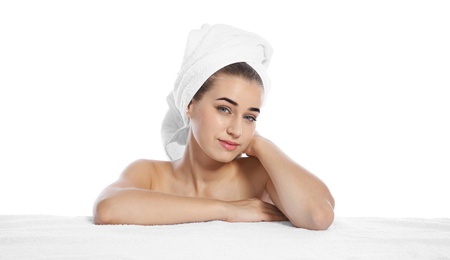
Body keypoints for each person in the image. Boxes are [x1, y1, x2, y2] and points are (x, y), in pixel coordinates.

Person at [93, 24, 335, 230]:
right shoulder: (150, 174)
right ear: (190, 105)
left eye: (249, 117)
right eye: (224, 109)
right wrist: (226, 210)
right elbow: (108, 209)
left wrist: (261, 145)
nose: (236, 130)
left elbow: (319, 215)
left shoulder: (260, 175)